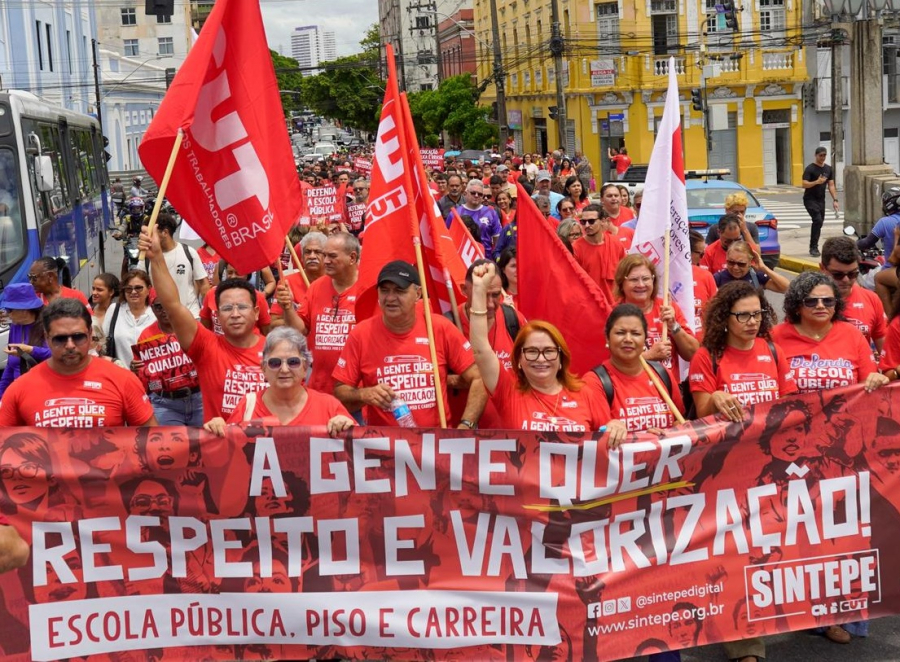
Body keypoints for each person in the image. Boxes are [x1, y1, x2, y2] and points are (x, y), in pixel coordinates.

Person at [468, 262, 625, 438]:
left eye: (549, 351)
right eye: (532, 351)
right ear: (519, 359)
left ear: (561, 357)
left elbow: (606, 435)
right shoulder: (508, 391)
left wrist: (616, 427)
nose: (541, 359)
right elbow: (481, 349)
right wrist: (480, 290)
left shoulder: (586, 393)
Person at [333, 260, 486, 428]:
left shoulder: (439, 327)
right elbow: (340, 392)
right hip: (384, 448)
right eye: (384, 291)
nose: (390, 298)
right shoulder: (361, 334)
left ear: (418, 294)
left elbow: (479, 377)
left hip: (434, 447)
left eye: (399, 291)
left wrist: (466, 425)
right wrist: (364, 394)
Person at [139, 225, 267, 422]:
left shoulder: (276, 352)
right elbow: (173, 306)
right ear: (217, 314)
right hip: (222, 450)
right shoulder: (206, 347)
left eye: (242, 307)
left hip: (265, 449)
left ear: (256, 312)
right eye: (226, 308)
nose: (235, 314)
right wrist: (156, 257)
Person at [0, 299, 156, 427]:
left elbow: (150, 440)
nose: (70, 345)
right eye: (60, 338)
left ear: (90, 335)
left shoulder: (123, 380)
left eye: (78, 337)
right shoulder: (20, 388)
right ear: (47, 338)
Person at [204, 327, 355, 437]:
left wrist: (347, 427)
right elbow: (227, 453)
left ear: (305, 367)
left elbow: (361, 447)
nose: (284, 369)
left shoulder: (329, 406)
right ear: (263, 368)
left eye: (293, 362)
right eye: (275, 363)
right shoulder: (248, 406)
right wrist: (217, 428)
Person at [689, 281, 797, 421]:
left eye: (757, 314)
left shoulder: (774, 351)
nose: (752, 322)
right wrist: (714, 399)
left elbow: (787, 404)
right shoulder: (706, 356)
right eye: (743, 315)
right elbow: (702, 415)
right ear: (725, 317)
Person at [772, 271, 887, 394]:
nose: (821, 306)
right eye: (811, 301)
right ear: (796, 306)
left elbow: (868, 383)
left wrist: (877, 379)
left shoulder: (853, 334)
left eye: (828, 301)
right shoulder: (775, 336)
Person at [276, 232, 360, 397]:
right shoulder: (317, 287)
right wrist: (287, 308)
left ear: (352, 258)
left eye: (331, 256)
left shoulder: (367, 288)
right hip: (319, 391)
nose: (326, 260)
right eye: (325, 255)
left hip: (355, 396)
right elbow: (300, 330)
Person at [448, 259, 527, 428]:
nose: (490, 304)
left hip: (507, 432)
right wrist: (458, 380)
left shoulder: (513, 319)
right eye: (482, 294)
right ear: (464, 290)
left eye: (496, 294)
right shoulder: (448, 325)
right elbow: (429, 377)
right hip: (461, 437)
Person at [586, 303, 683, 432]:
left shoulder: (662, 373)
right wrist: (645, 439)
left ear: (645, 340)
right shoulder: (594, 382)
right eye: (620, 333)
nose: (628, 339)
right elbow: (601, 435)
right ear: (607, 338)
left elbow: (678, 420)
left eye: (636, 333)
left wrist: (680, 429)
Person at [614, 254, 699, 369]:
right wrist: (649, 356)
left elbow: (693, 354)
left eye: (645, 279)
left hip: (668, 385)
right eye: (634, 279)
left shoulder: (667, 307)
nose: (641, 285)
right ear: (621, 283)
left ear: (653, 281)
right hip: (632, 385)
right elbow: (611, 360)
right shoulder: (614, 314)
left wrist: (674, 326)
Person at [133, 292, 203, 426]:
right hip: (165, 403)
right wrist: (135, 368)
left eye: (168, 304)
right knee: (171, 446)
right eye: (159, 306)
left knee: (204, 445)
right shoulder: (146, 335)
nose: (164, 309)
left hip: (199, 399)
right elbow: (143, 373)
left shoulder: (192, 326)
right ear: (152, 308)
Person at [820, 235, 886, 354]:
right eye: (838, 275)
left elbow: (882, 344)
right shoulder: (809, 303)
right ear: (822, 268)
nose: (846, 280)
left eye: (852, 274)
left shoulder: (871, 300)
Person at [146, 213, 210, 318]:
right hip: (161, 318)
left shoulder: (189, 252)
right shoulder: (147, 258)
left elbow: (203, 284)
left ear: (165, 232)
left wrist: (207, 312)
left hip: (191, 315)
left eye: (152, 233)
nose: (148, 237)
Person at [0, 283, 49, 398]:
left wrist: (31, 350)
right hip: (21, 392)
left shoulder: (47, 326)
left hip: (42, 393)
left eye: (10, 309)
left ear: (24, 310)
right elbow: (10, 366)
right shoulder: (15, 327)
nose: (8, 313)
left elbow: (57, 354)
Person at [572, 203, 626, 303]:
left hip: (616, 305)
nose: (587, 225)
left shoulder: (615, 243)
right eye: (583, 222)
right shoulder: (576, 248)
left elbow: (625, 273)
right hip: (591, 305)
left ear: (603, 221)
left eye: (591, 221)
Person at [859, 186, 900, 314]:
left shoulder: (886, 222)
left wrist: (853, 245)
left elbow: (867, 242)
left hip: (891, 269)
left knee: (874, 279)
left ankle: (888, 316)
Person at [201, 262, 271, 336]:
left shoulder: (258, 297)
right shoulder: (211, 294)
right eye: (230, 272)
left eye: (238, 273)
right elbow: (205, 328)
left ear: (247, 275)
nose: (233, 276)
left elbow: (266, 331)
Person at [103, 269, 156, 365]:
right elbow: (102, 343)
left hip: (152, 376)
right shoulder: (114, 310)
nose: (133, 292)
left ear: (149, 289)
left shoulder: (156, 314)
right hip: (121, 375)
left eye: (138, 288)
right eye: (128, 289)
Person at [449, 180, 502, 259]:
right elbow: (449, 240)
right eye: (473, 193)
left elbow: (497, 240)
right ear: (466, 193)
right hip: (462, 260)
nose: (476, 195)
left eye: (480, 194)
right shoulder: (455, 214)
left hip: (486, 259)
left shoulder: (491, 213)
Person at [801, 146, 839, 257]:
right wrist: (816, 182)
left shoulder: (828, 169)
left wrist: (835, 200)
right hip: (809, 199)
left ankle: (814, 244)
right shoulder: (810, 168)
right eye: (820, 155)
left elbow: (831, 185)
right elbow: (804, 184)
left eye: (824, 155)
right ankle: (813, 248)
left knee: (820, 222)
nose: (822, 157)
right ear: (816, 155)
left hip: (820, 200)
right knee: (817, 220)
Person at [713, 240, 789, 294]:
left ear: (750, 262)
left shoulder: (756, 276)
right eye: (731, 262)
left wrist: (764, 268)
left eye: (741, 264)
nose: (735, 267)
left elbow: (787, 288)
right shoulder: (718, 278)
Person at [689, 230, 718, 341]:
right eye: (701, 254)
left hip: (702, 342)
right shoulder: (665, 276)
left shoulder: (706, 276)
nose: (703, 258)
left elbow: (715, 311)